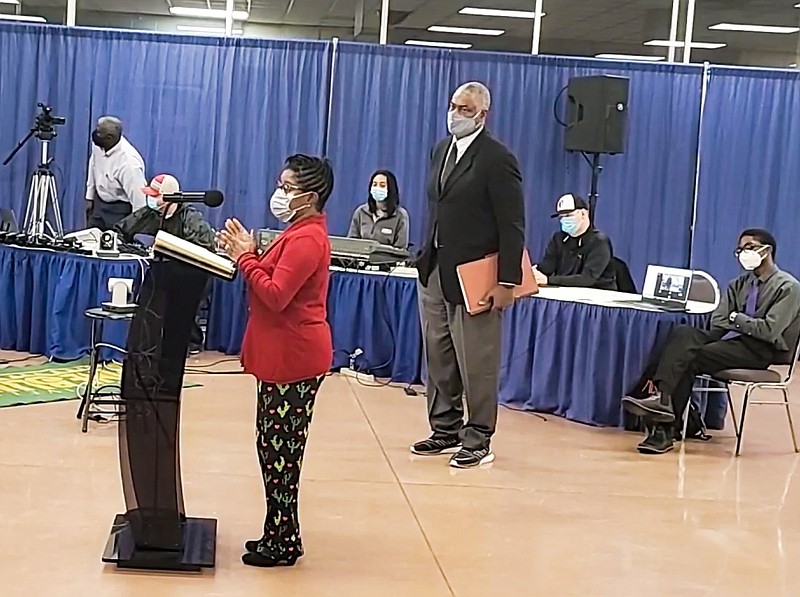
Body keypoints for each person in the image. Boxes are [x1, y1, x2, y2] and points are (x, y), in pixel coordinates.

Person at [217, 154, 334, 567]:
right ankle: (278, 532)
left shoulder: (307, 239)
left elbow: (275, 293)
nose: (280, 194)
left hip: (295, 358)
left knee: (282, 454)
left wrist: (246, 257)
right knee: (272, 450)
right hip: (281, 355)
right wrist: (241, 253)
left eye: (288, 188)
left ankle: (284, 542)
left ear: (310, 197)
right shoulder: (296, 232)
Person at [412, 81, 525, 469]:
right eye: (453, 105)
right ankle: (444, 428)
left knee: (476, 360)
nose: (455, 114)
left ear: (482, 115)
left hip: (475, 277)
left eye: (464, 108)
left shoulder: (497, 159)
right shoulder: (440, 150)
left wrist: (506, 281)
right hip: (434, 271)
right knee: (439, 355)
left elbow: (513, 224)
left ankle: (478, 437)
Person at [622, 229, 800, 454]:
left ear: (767, 251)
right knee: (683, 334)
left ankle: (664, 427)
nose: (744, 253)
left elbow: (767, 330)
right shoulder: (737, 284)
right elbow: (718, 320)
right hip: (727, 339)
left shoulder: (788, 287)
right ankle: (664, 403)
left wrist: (737, 318)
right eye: (740, 249)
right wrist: (740, 321)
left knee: (688, 357)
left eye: (750, 247)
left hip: (758, 349)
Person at [534, 193, 616, 290]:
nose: (564, 220)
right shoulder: (558, 239)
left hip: (596, 298)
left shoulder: (599, 242)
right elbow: (546, 267)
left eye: (568, 215)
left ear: (583, 214)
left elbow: (587, 279)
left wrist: (548, 280)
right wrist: (533, 274)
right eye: (561, 217)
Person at [114, 174, 215, 251]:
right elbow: (120, 230)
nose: (150, 198)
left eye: (155, 195)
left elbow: (205, 245)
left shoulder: (190, 217)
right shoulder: (147, 213)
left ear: (169, 197)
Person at [85, 116, 148, 230]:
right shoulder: (99, 144)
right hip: (100, 204)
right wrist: (89, 196)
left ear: (110, 138)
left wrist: (133, 228)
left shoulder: (129, 164)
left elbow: (139, 202)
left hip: (120, 210)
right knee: (89, 239)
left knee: (112, 244)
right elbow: (93, 164)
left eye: (99, 133)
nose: (94, 134)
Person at [347, 170, 410, 249]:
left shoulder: (400, 216)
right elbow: (351, 242)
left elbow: (401, 249)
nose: (377, 188)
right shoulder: (360, 212)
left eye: (382, 185)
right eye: (375, 184)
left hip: (386, 260)